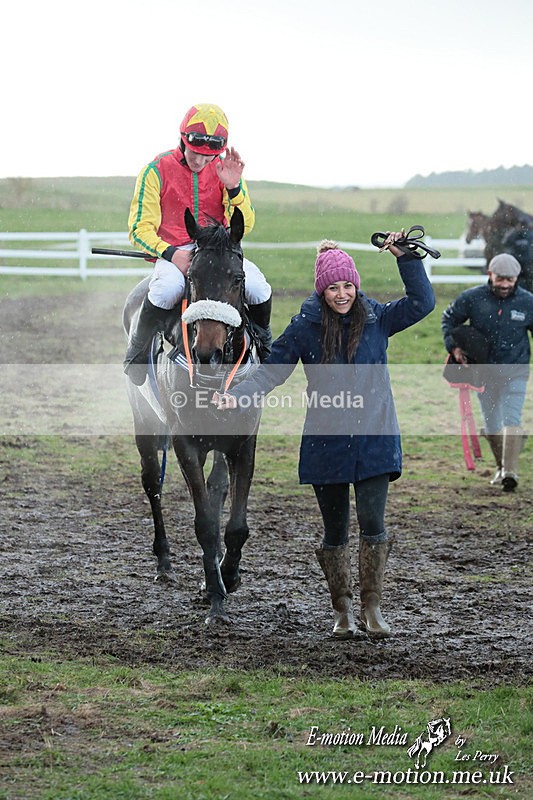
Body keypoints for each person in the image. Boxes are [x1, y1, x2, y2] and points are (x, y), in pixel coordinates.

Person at [213, 234, 435, 639]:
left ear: (356, 285)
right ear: (321, 290)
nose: (342, 294)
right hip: (326, 442)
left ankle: (372, 609)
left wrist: (406, 259)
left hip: (375, 437)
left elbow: (423, 302)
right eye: (333, 287)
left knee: (373, 524)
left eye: (348, 285)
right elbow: (273, 370)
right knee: (335, 531)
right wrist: (238, 395)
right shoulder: (305, 327)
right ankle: (343, 611)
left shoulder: (378, 318)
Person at [124, 102, 272, 385]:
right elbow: (139, 228)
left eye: (208, 156)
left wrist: (234, 188)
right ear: (183, 139)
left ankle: (264, 343)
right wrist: (170, 253)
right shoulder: (155, 170)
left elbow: (245, 225)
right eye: (195, 153)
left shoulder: (225, 170)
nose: (201, 161)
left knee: (258, 288)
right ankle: (137, 351)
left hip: (219, 253)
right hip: (173, 252)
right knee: (166, 289)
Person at [442, 253, 533, 491]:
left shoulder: (528, 302)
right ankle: (501, 467)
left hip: (516, 370)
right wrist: (454, 347)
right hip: (483, 372)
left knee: (512, 418)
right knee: (492, 422)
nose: (505, 284)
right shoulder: (472, 298)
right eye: (500, 278)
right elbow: (449, 320)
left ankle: (510, 473)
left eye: (510, 280)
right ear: (490, 274)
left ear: (517, 278)